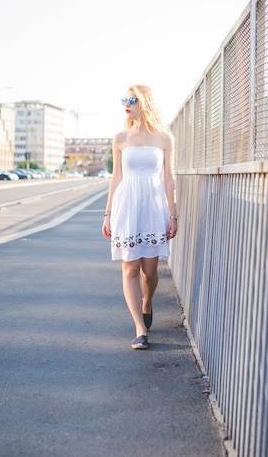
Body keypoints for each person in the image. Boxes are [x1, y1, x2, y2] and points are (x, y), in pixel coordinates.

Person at [101, 84, 178, 350]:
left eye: (131, 99)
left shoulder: (164, 138)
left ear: (144, 102)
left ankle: (147, 302)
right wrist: (108, 214)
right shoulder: (120, 138)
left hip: (154, 206)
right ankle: (140, 327)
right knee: (130, 267)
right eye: (124, 99)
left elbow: (168, 179)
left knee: (150, 271)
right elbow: (116, 177)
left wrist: (173, 214)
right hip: (127, 205)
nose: (126, 103)